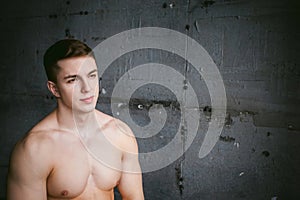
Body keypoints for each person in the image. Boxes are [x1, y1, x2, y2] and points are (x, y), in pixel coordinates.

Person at [7, 39, 144, 200]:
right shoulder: (34, 149)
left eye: (91, 76)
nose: (87, 88)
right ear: (54, 88)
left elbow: (134, 197)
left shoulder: (120, 134)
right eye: (73, 80)